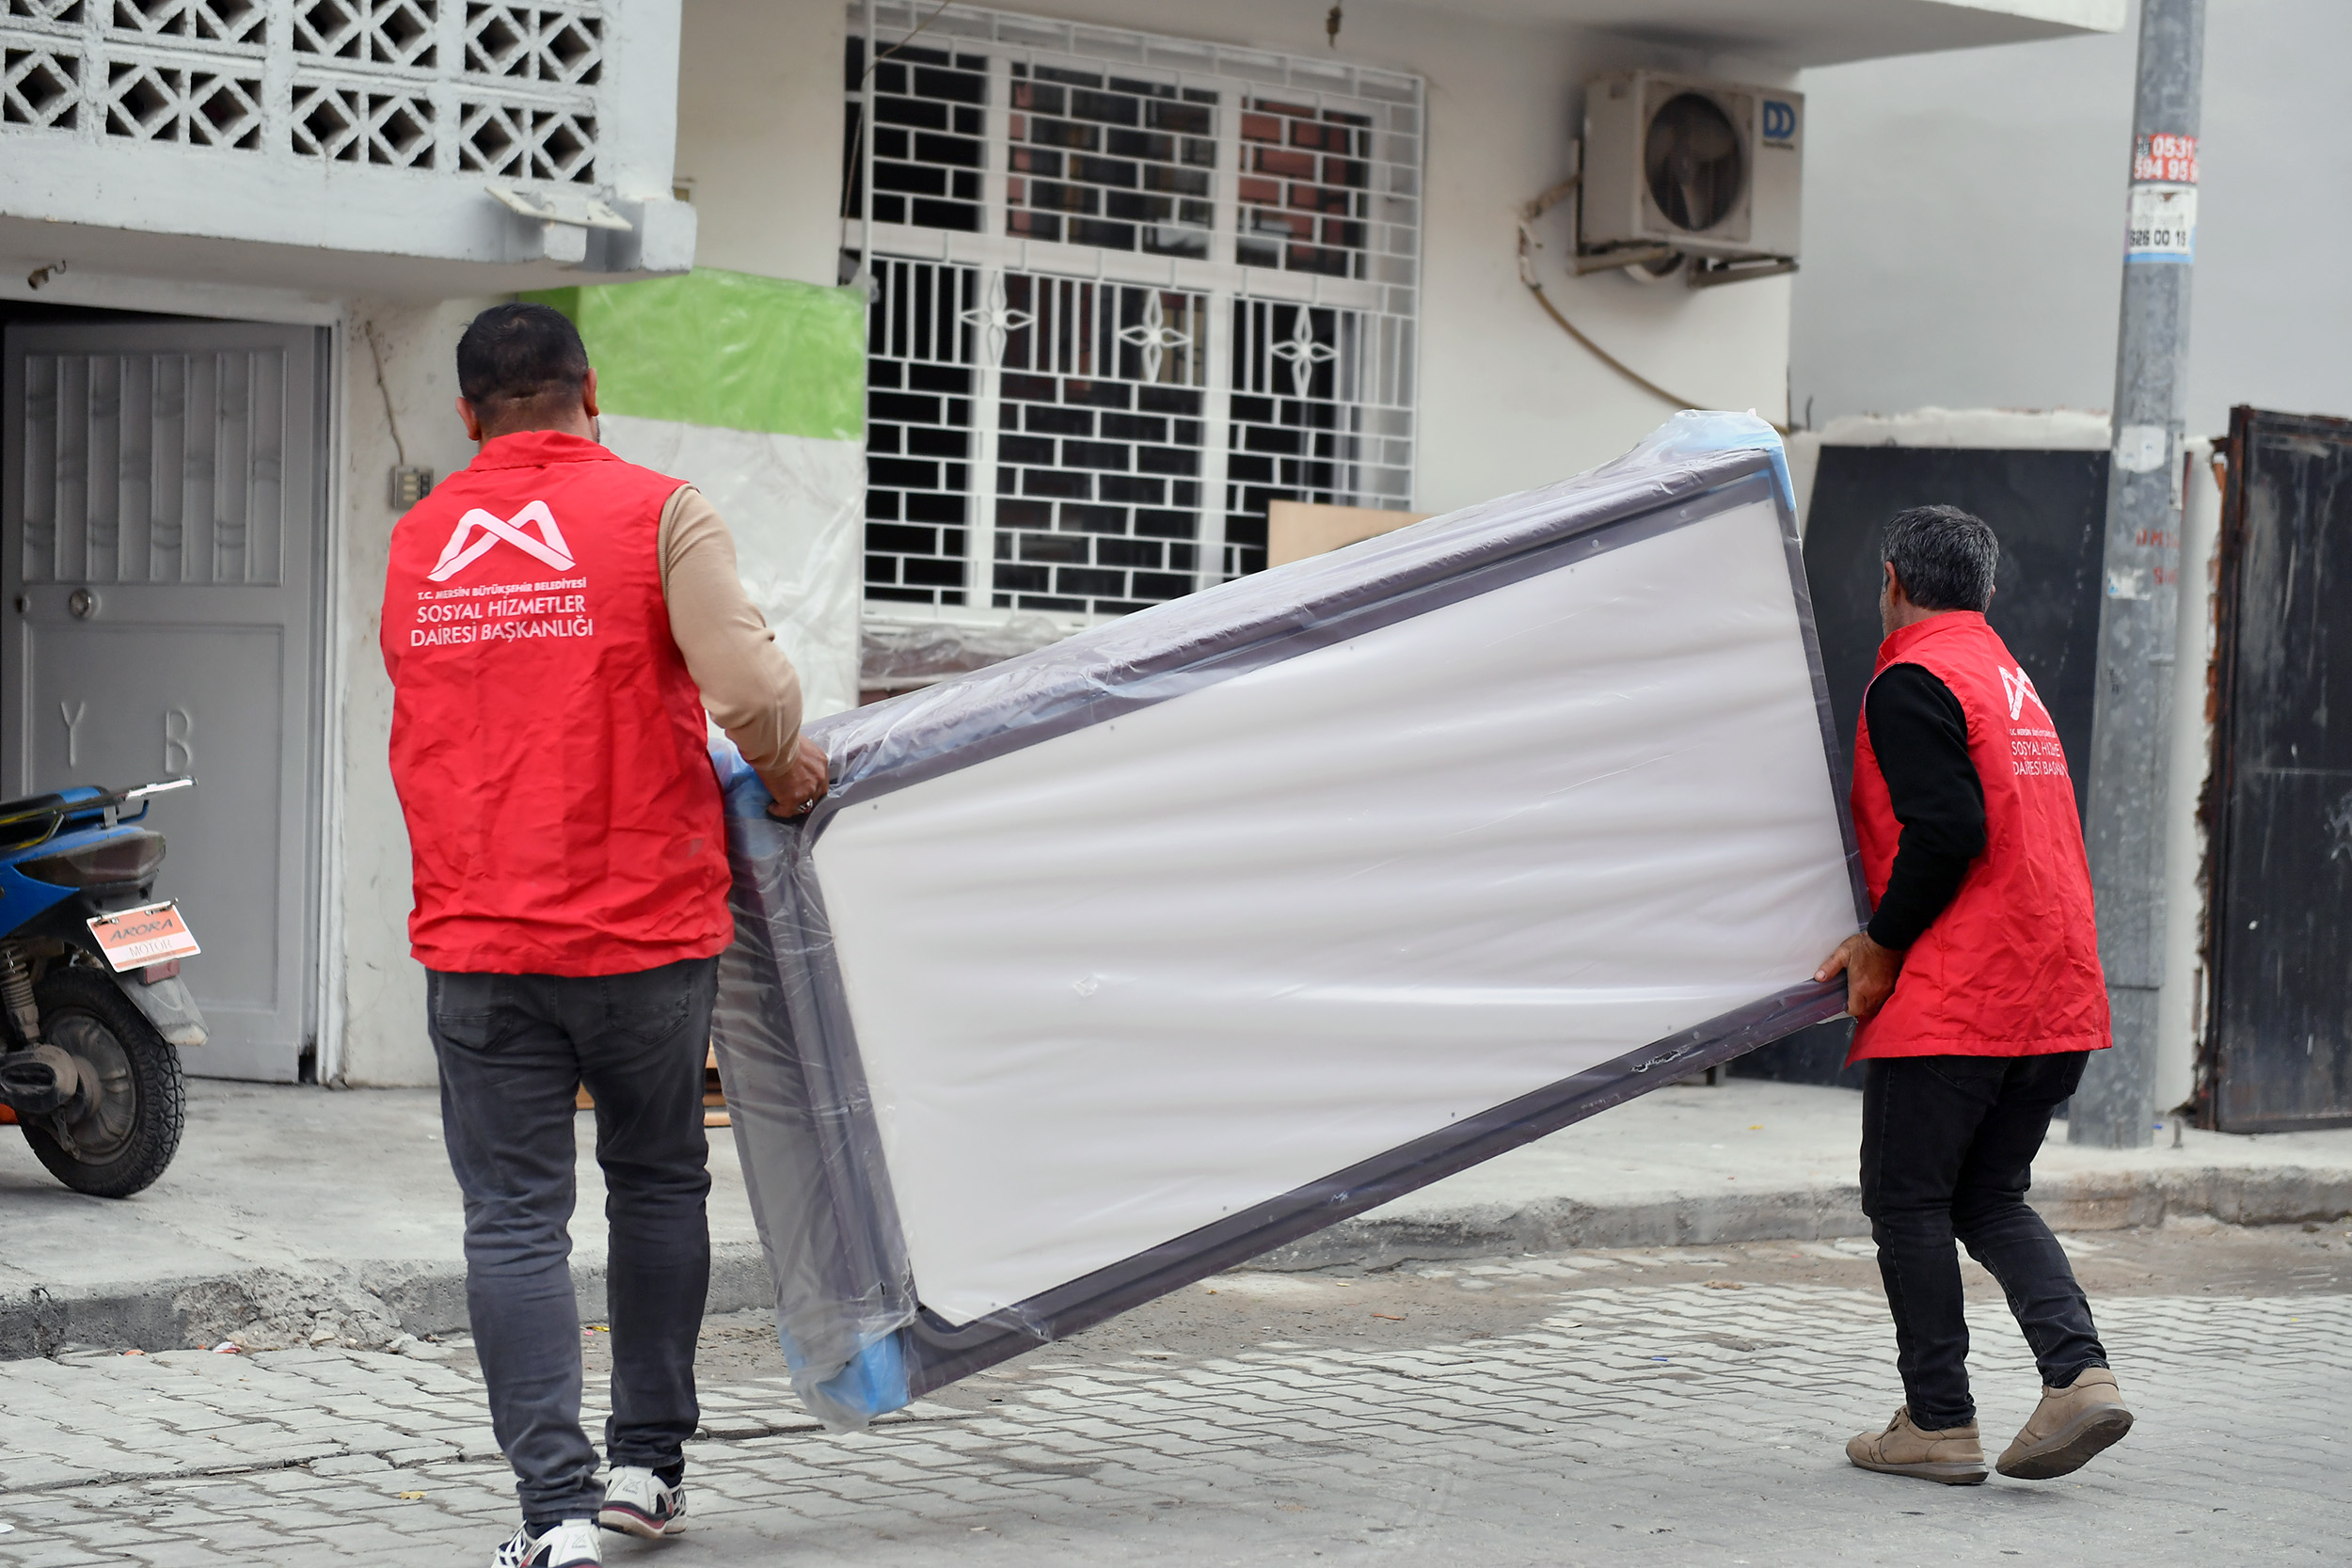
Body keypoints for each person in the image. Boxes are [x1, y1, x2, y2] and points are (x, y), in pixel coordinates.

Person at [379, 303, 829, 1568]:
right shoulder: (660, 508)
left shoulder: (421, 538)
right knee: (654, 1179)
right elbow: (749, 689)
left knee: (514, 1218)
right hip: (641, 926)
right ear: (591, 391)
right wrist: (790, 775)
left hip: (476, 933)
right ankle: (645, 1469)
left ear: (469, 414)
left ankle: (553, 1517)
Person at [1813, 505, 2133, 1488]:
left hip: (1965, 990)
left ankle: (1938, 1420)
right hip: (2053, 986)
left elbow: (1945, 828)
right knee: (1987, 1192)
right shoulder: (2006, 677)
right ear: (1985, 590)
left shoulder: (1912, 674)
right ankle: (2078, 1374)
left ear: (1891, 577)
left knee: (1906, 1194)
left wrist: (1880, 940)